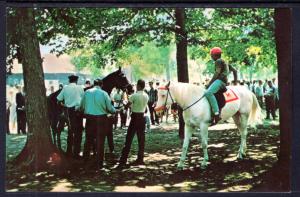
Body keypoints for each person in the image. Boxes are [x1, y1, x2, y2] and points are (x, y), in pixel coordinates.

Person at [80, 78, 116, 169]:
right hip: (101, 119)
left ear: (93, 84)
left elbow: (81, 107)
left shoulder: (87, 92)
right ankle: (100, 163)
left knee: (88, 140)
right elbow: (110, 108)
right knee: (101, 141)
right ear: (101, 85)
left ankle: (85, 160)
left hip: (90, 119)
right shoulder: (104, 94)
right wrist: (115, 110)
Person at [116, 79, 149, 169]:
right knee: (141, 139)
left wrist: (124, 104)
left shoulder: (134, 96)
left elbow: (127, 106)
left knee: (129, 139)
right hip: (142, 117)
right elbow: (145, 109)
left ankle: (124, 159)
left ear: (138, 85)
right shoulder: (146, 96)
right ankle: (140, 158)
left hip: (134, 117)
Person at [204, 47, 237, 125]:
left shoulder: (218, 61)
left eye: (211, 55)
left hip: (220, 81)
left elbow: (217, 73)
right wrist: (235, 81)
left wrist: (210, 83)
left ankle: (216, 114)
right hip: (223, 81)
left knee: (208, 93)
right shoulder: (225, 62)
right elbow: (235, 71)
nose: (211, 57)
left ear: (215, 55)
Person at [57, 74, 84, 158]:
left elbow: (58, 99)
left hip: (69, 111)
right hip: (79, 111)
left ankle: (69, 151)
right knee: (79, 132)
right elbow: (83, 99)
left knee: (70, 130)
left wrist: (63, 104)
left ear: (69, 80)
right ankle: (77, 152)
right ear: (76, 80)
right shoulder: (80, 88)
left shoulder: (65, 88)